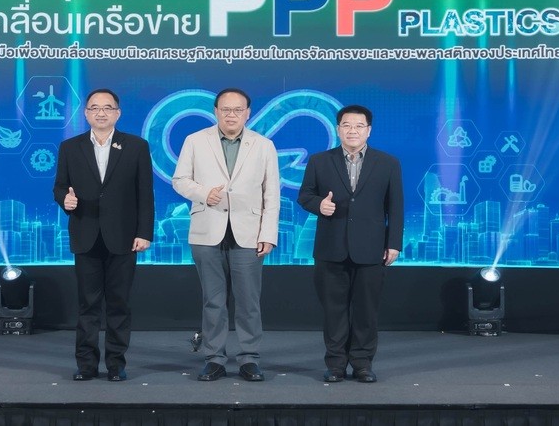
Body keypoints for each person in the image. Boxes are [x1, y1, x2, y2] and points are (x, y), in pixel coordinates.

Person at [172, 88, 280, 382]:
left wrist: (268, 233)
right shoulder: (195, 140)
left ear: (248, 113)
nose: (231, 115)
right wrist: (204, 193)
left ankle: (249, 358)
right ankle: (214, 358)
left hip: (249, 232)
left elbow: (271, 193)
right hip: (207, 230)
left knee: (248, 302)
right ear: (216, 111)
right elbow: (180, 180)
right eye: (226, 109)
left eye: (238, 110)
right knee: (213, 301)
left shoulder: (264, 145)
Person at [53, 88, 154, 382]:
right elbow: (60, 186)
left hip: (124, 236)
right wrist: (64, 199)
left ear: (117, 113)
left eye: (107, 107)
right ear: (86, 113)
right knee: (88, 305)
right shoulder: (70, 147)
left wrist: (144, 232)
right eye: (94, 107)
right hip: (85, 234)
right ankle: (86, 364)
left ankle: (116, 365)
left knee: (119, 304)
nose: (101, 112)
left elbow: (145, 194)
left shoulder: (136, 146)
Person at [297, 104, 403, 383]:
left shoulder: (388, 163)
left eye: (358, 126)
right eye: (346, 125)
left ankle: (362, 363)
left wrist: (394, 243)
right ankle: (335, 364)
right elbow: (305, 195)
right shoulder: (320, 161)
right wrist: (319, 205)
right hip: (331, 247)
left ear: (369, 130)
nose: (352, 130)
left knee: (366, 311)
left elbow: (396, 206)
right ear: (338, 129)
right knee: (334, 310)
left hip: (371, 248)